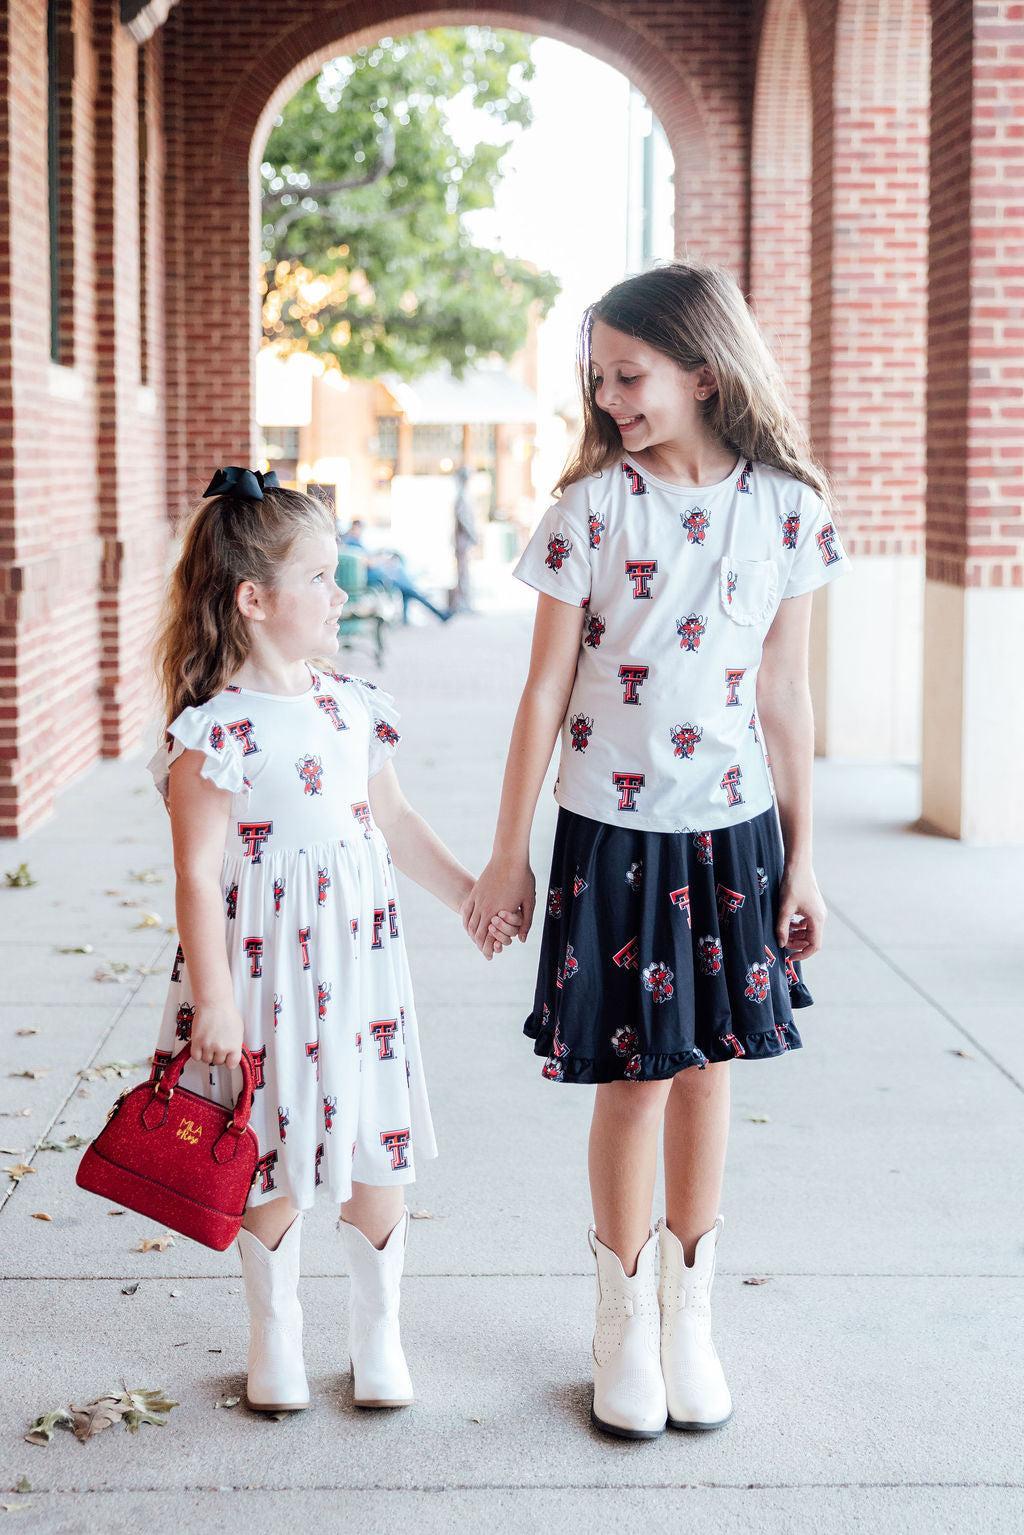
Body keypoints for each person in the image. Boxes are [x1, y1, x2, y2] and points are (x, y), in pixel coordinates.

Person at [462, 263, 851, 1439]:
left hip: (730, 833)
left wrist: (804, 856)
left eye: (629, 375)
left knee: (705, 1069)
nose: (612, 397)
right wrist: (505, 852)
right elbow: (540, 694)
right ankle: (622, 1321)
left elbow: (785, 694)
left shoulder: (786, 508)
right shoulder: (589, 511)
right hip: (611, 834)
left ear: (704, 372)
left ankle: (693, 1317)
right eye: (599, 379)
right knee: (631, 1077)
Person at [147, 466, 517, 1415]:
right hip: (261, 973)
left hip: (356, 973)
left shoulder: (352, 706)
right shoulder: (216, 734)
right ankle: (276, 1336)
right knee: (264, 1143)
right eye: (322, 577)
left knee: (373, 1142)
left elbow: (390, 820)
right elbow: (196, 874)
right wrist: (216, 998)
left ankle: (377, 1333)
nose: (340, 594)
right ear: (255, 599)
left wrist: (470, 892)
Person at [341, 518, 451, 625]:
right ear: (355, 527)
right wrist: (383, 559)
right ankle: (440, 614)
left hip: (377, 577)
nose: (361, 532)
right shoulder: (352, 542)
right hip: (375, 579)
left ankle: (425, 616)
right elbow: (368, 563)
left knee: (407, 589)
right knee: (410, 590)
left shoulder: (352, 541)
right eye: (360, 529)